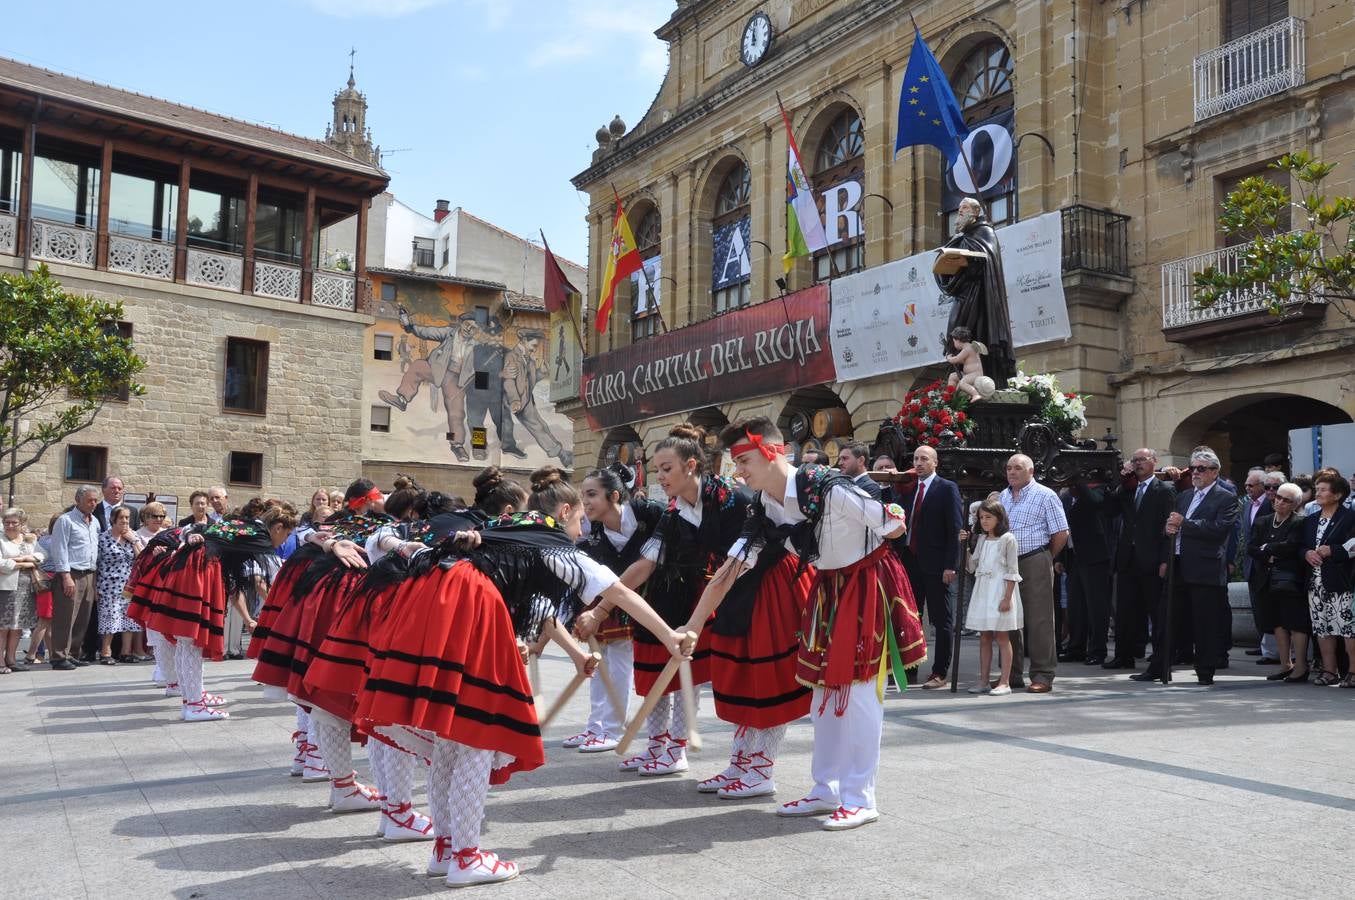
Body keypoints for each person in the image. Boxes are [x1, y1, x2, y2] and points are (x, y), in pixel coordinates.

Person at [354, 466, 691, 887]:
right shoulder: (553, 544)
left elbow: (384, 541)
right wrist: (669, 634)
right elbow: (618, 592)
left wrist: (571, 653)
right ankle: (465, 856)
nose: (583, 529)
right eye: (580, 519)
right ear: (565, 511)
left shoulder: (502, 530)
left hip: (427, 607)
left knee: (451, 739)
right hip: (471, 612)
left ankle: (445, 849)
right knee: (478, 736)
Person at [576, 425, 745, 781]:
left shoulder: (729, 498)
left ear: (692, 466)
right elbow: (645, 564)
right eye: (658, 469)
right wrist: (601, 609)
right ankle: (658, 743)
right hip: (667, 599)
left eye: (667, 468)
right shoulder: (671, 513)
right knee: (654, 675)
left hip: (724, 593)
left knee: (688, 675)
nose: (660, 476)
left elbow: (741, 557)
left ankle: (679, 748)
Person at [668, 420, 818, 800]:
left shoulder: (808, 488)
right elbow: (728, 567)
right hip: (742, 585)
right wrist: (693, 624)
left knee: (770, 678)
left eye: (745, 460)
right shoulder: (756, 500)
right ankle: (742, 762)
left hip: (780, 589)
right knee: (742, 677)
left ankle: (763, 768)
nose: (740, 470)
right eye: (736, 463)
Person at [130, 502, 299, 720]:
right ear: (277, 528)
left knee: (186, 642)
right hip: (199, 570)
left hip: (194, 567)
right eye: (286, 534)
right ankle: (193, 704)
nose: (284, 541)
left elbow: (201, 529)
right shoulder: (260, 537)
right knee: (191, 641)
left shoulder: (245, 526)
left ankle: (192, 696)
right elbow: (275, 572)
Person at [566, 465, 663, 753]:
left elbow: (650, 562)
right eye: (583, 496)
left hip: (648, 599)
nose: (586, 503)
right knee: (600, 658)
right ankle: (596, 726)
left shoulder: (649, 513)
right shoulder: (591, 531)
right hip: (609, 599)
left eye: (592, 495)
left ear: (615, 495)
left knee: (620, 661)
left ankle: (613, 728)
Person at [1152, 448, 1239, 687]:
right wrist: (1168, 529)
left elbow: (1219, 529)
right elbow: (1174, 524)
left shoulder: (1226, 497)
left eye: (1201, 469)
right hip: (1179, 563)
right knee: (1169, 616)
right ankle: (1161, 666)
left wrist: (1185, 524)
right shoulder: (1185, 496)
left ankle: (1205, 670)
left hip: (1205, 568)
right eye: (1193, 468)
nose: (1196, 473)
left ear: (1215, 472)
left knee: (1204, 621)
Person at [997, 455, 1069, 692]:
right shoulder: (1003, 496)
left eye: (1018, 468)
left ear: (1031, 471)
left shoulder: (1045, 495)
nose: (1012, 472)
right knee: (1009, 620)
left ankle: (1043, 675)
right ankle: (1011, 675)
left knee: (1039, 619)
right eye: (1009, 468)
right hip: (1007, 564)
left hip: (1034, 559)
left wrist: (1047, 556)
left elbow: (1061, 532)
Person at [895, 445, 962, 690]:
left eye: (924, 459)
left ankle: (939, 672)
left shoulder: (946, 488)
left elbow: (955, 528)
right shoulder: (909, 488)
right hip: (909, 562)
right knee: (911, 617)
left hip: (936, 565)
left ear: (935, 463)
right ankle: (909, 669)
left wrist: (950, 565)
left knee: (941, 619)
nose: (919, 462)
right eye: (916, 458)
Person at [1106, 449, 1175, 671]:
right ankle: (1123, 656)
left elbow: (1168, 530)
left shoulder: (1163, 490)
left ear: (1154, 462)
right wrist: (1122, 480)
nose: (1138, 464)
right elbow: (1109, 509)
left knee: (1156, 612)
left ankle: (1159, 661)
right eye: (1134, 460)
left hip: (1152, 560)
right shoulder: (1129, 489)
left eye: (1142, 460)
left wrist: (1165, 560)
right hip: (1128, 559)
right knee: (1125, 611)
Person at [935, 197, 1015, 386]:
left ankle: (985, 379)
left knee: (978, 332)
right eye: (959, 208)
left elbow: (987, 257)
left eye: (964, 208)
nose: (960, 211)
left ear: (975, 212)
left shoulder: (985, 232)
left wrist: (971, 257)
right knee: (954, 333)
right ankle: (960, 374)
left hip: (981, 295)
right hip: (964, 294)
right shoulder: (961, 238)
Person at [382, 308, 479, 462]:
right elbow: (427, 332)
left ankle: (457, 446)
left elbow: (482, 368)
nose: (469, 329)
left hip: (456, 379)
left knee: (456, 414)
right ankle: (402, 400)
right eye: (467, 324)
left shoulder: (477, 346)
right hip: (438, 368)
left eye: (473, 328)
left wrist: (478, 386)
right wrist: (409, 325)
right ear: (460, 324)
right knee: (418, 366)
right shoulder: (449, 334)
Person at [1247, 483, 1309, 682]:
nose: (1280, 501)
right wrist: (1269, 555)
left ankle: (1300, 666)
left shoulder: (1299, 522)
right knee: (1277, 623)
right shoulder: (1263, 521)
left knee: (1296, 623)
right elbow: (1251, 547)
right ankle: (1285, 664)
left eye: (1286, 500)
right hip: (1266, 580)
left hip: (1290, 581)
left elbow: (1291, 547)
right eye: (1278, 497)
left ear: (1295, 504)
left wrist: (1268, 548)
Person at [1299, 470, 1355, 687]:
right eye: (1317, 489)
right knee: (1322, 627)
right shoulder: (1311, 520)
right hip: (1315, 583)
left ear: (1338, 494)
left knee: (1348, 628)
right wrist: (1306, 553)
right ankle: (1329, 671)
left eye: (1323, 490)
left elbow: (1351, 546)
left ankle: (1352, 671)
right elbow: (1301, 545)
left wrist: (1333, 550)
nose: (1318, 493)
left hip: (1342, 582)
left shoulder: (1350, 517)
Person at [961, 499, 1022, 695]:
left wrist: (1007, 598)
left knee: (1002, 636)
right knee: (985, 637)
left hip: (1000, 591)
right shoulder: (981, 539)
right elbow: (972, 566)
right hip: (983, 591)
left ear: (999, 518)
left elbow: (1013, 571)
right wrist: (965, 548)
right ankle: (984, 680)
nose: (985, 521)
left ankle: (1005, 681)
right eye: (981, 517)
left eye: (989, 517)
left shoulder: (1008, 539)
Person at [1057, 482, 1112, 666]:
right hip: (1073, 556)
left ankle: (1097, 649)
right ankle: (1076, 647)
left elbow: (1094, 502)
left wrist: (1079, 483)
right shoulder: (1065, 497)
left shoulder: (1099, 489)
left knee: (1096, 605)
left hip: (1095, 556)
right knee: (1075, 605)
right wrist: (1061, 558)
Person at [47, 485, 101, 670]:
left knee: (82, 617)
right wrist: (65, 576)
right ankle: (59, 656)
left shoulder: (95, 522)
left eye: (95, 500)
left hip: (89, 573)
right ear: (77, 500)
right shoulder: (66, 520)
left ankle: (73, 653)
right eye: (89, 500)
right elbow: (59, 549)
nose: (93, 503)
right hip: (71, 573)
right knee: (65, 616)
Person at [503, 328, 572, 467]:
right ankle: (561, 454)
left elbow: (530, 380)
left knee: (542, 425)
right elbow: (508, 381)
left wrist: (542, 372)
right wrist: (514, 400)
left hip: (527, 399)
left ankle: (561, 452)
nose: (535, 349)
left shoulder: (529, 359)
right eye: (534, 345)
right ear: (523, 341)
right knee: (533, 427)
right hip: (513, 400)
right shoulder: (511, 356)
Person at [96, 506, 145, 664]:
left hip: (129, 585)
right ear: (113, 520)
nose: (125, 521)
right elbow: (96, 562)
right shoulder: (103, 538)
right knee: (110, 617)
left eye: (127, 518)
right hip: (109, 585)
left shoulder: (132, 536)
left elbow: (143, 559)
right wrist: (95, 587)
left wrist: (134, 540)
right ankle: (106, 652)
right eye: (121, 518)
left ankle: (126, 652)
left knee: (128, 618)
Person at [1, 508, 44, 673]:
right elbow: (0, 564)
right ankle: (0, 662)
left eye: (14, 522)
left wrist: (24, 560)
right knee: (3, 626)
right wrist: (25, 563)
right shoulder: (0, 539)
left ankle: (11, 659)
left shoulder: (28, 539)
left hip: (26, 589)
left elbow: (42, 554)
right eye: (7, 522)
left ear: (22, 524)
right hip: (5, 589)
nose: (10, 526)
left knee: (17, 625)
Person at [1239, 468, 1275, 661]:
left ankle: (1272, 650)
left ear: (1262, 486)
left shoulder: (1270, 505)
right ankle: (1262, 644)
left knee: (1267, 608)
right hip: (1250, 564)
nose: (1247, 488)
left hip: (1265, 563)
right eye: (1245, 485)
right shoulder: (1246, 506)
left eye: (1251, 485)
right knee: (1257, 607)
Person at [944, 326, 988, 400]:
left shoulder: (967, 349)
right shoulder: (969, 347)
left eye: (954, 342)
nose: (954, 344)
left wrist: (949, 358)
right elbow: (964, 361)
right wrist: (955, 358)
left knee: (962, 383)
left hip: (975, 374)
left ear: (958, 340)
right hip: (968, 374)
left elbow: (956, 360)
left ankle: (975, 394)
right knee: (953, 376)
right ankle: (950, 392)